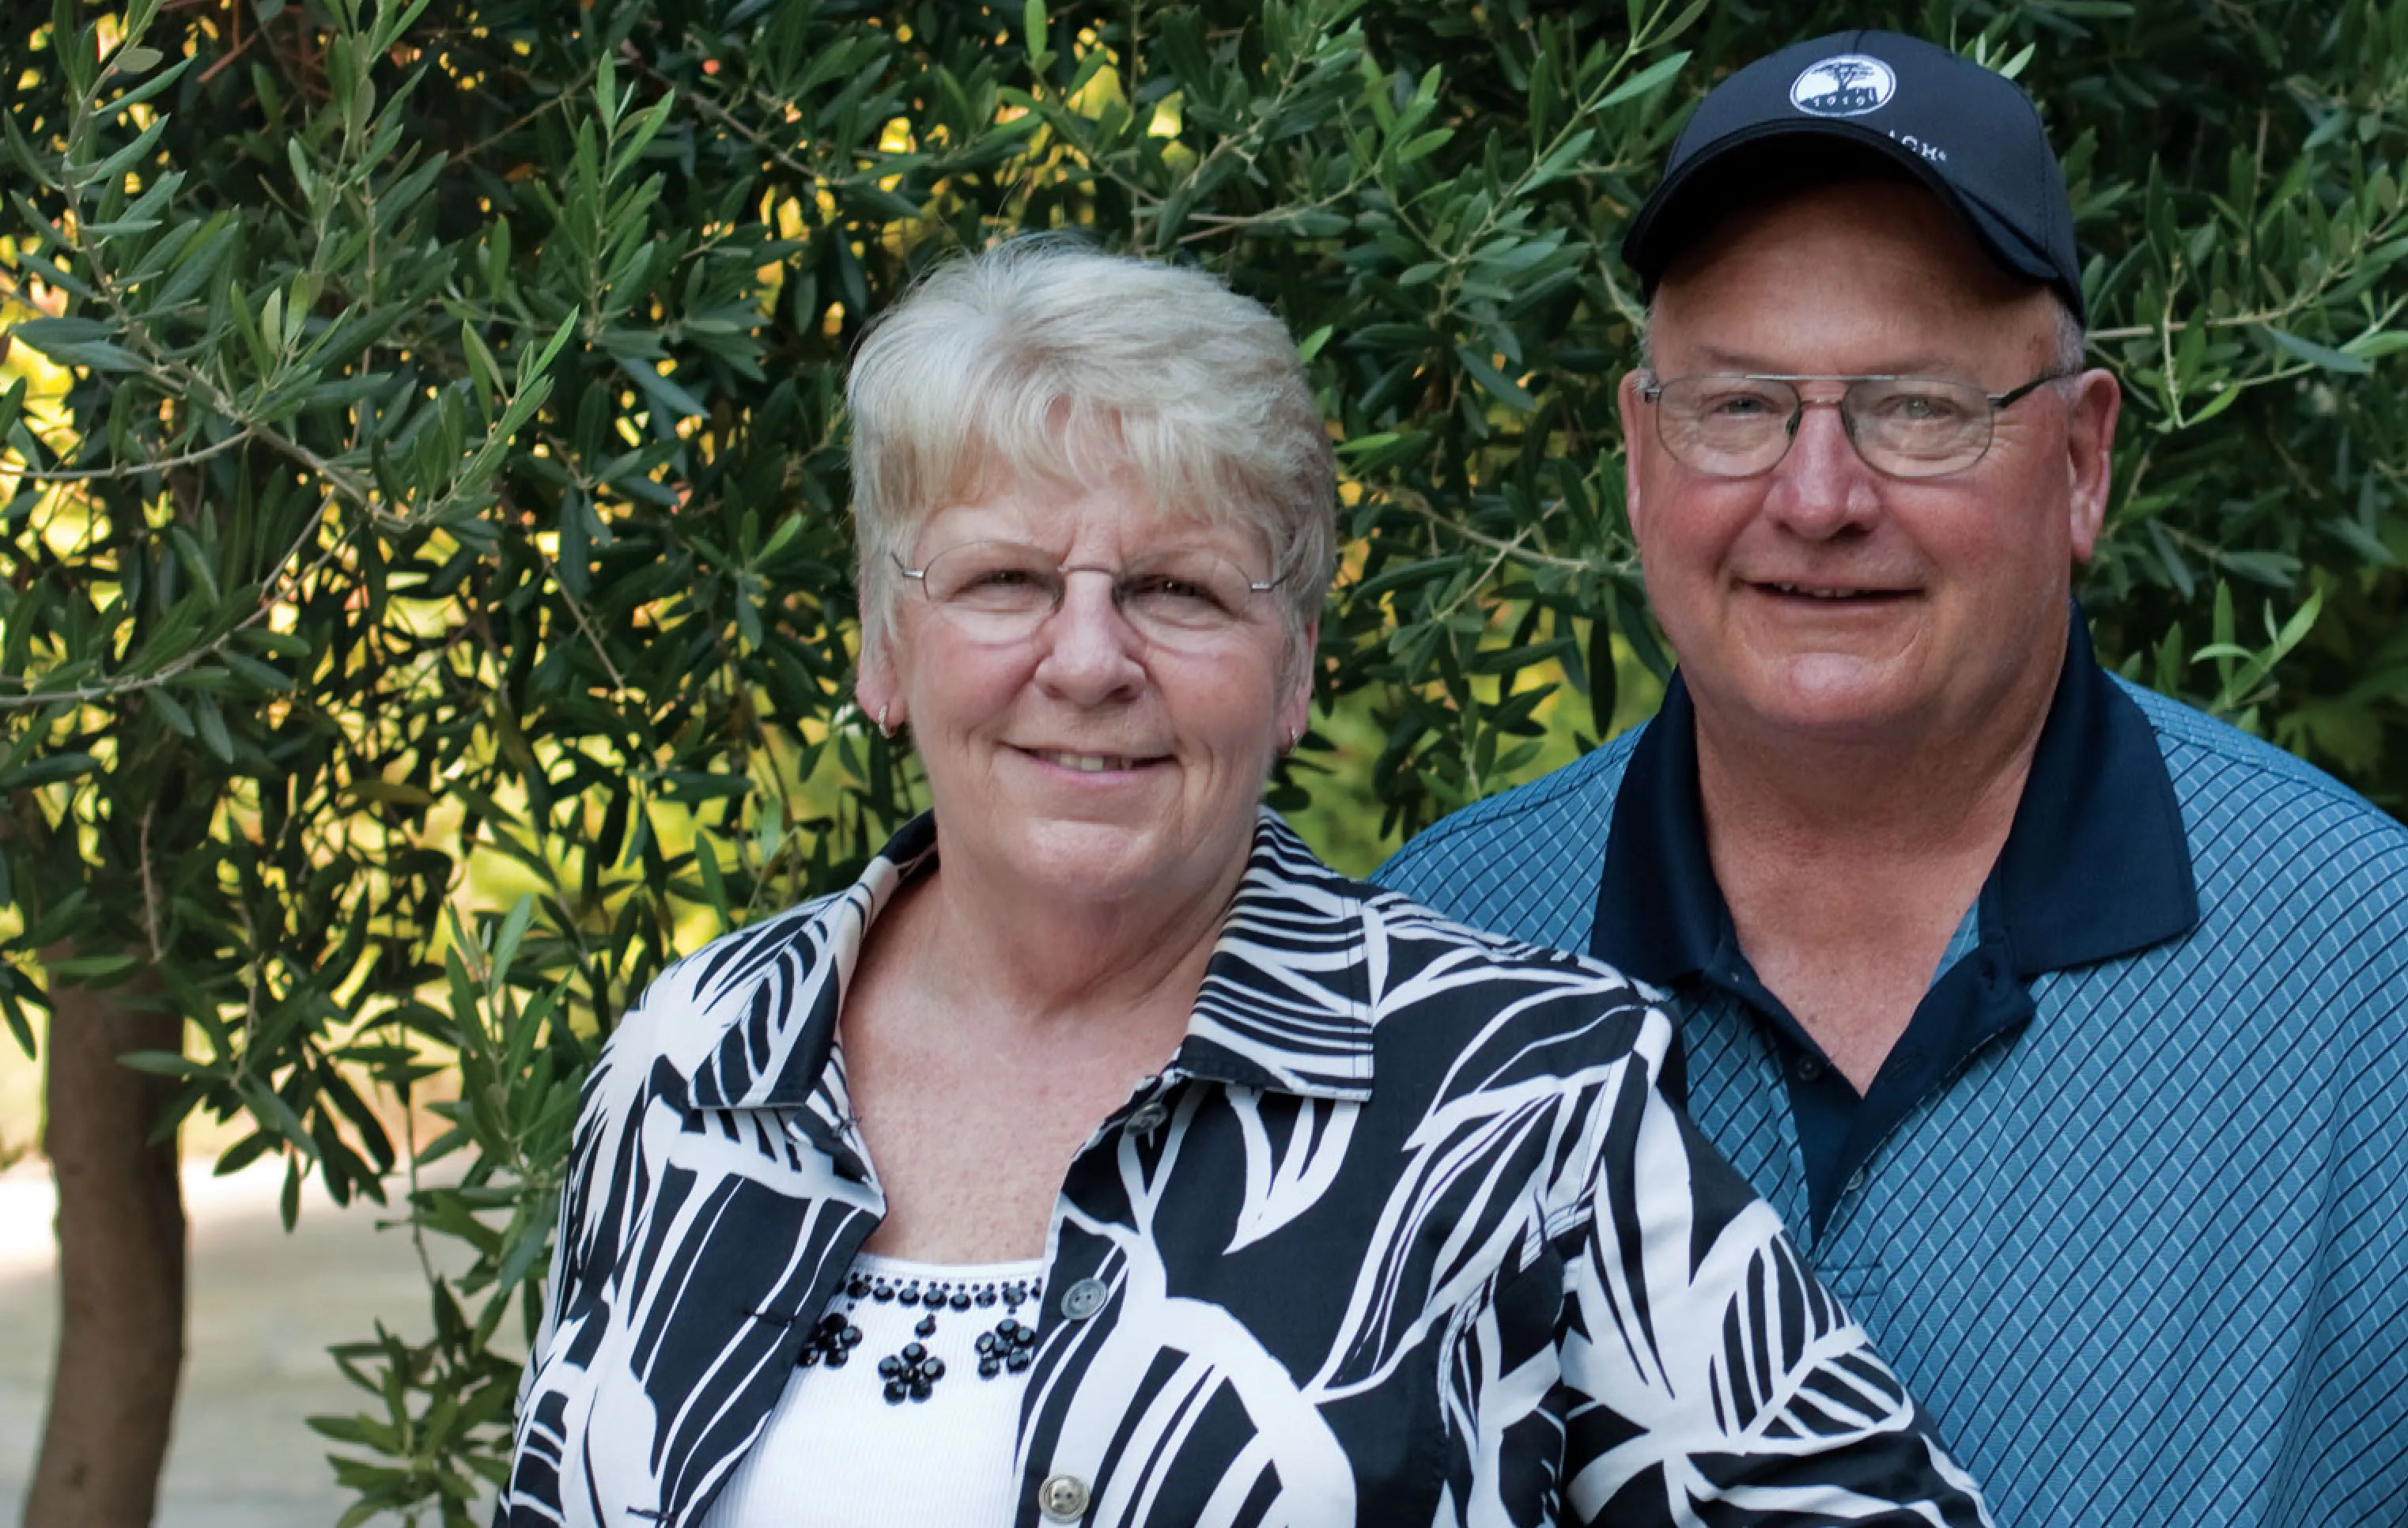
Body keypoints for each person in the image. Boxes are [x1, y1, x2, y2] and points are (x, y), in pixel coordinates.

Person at [1378, 31, 2408, 1525]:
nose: (1817, 497)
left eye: (1918, 408)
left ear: (2081, 461)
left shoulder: (2399, 984)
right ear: (1636, 455)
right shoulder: (1434, 967)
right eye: (1738, 406)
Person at [495, 238, 1992, 1527]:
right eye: (1007, 581)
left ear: (1293, 674)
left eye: (1179, 591)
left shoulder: (1513, 1102)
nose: (1086, 661)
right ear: (888, 650)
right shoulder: (696, 1059)